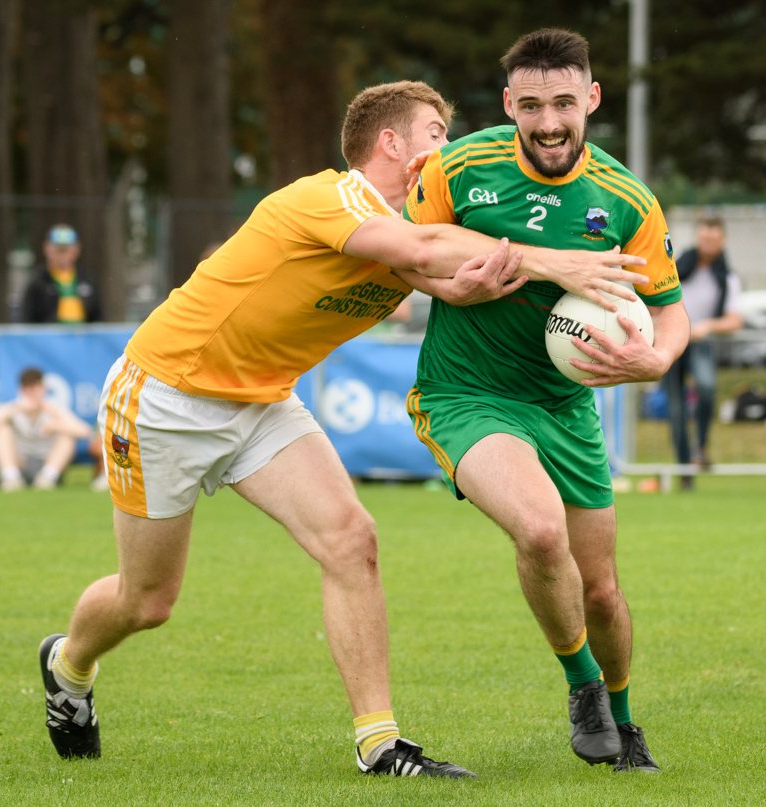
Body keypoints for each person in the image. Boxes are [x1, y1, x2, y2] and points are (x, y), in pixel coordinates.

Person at [37, 80, 650, 777]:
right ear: (390, 143)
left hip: (261, 403)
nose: (446, 148)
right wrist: (559, 262)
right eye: (434, 133)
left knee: (352, 540)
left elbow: (448, 274)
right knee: (147, 600)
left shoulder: (410, 229)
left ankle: (379, 742)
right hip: (164, 397)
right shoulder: (330, 197)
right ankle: (69, 665)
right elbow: (420, 251)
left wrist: (521, 275)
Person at [403, 30, 690, 773]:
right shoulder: (460, 167)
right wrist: (442, 283)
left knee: (600, 589)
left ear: (590, 99)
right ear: (508, 105)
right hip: (466, 393)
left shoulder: (625, 199)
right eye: (530, 105)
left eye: (563, 102)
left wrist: (654, 356)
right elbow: (404, 249)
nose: (548, 121)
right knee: (538, 530)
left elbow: (669, 306)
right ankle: (581, 684)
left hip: (566, 406)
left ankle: (623, 722)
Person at [663, 218, 743, 489]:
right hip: (672, 341)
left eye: (713, 239)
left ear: (723, 241)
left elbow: (734, 320)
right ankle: (685, 469)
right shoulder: (676, 267)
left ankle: (702, 446)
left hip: (700, 343)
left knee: (707, 387)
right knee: (676, 410)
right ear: (698, 239)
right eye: (704, 238)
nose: (708, 244)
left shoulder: (728, 279)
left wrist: (706, 325)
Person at [0, 367, 93, 491]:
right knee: (1, 428)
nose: (32, 393)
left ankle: (47, 478)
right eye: (28, 388)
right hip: (21, 464)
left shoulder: (53, 409)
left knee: (67, 434)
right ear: (21, 389)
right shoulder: (12, 408)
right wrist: (15, 409)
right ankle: (11, 477)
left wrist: (57, 425)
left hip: (46, 464)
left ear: (43, 388)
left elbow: (86, 431)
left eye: (36, 388)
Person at [22, 224, 102, 324]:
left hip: (82, 338)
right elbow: (27, 318)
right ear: (47, 250)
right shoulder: (37, 280)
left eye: (66, 250)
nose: (62, 255)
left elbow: (98, 316)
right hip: (48, 338)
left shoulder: (88, 279)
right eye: (58, 250)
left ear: (76, 251)